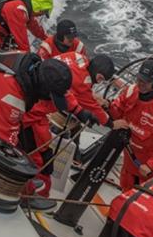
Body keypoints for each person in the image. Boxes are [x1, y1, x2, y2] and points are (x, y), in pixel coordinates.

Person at [19, 53, 117, 208]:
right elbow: (87, 102)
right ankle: (30, 195)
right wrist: (111, 123)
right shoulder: (79, 82)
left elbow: (66, 92)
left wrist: (79, 110)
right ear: (98, 77)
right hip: (32, 118)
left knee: (44, 156)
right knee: (37, 159)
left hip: (38, 115)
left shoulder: (77, 58)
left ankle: (36, 191)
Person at [108, 60, 153, 191]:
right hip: (128, 156)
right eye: (139, 79)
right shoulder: (131, 91)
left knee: (141, 197)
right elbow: (116, 111)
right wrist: (106, 105)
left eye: (145, 82)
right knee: (124, 188)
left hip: (147, 168)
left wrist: (151, 165)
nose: (140, 84)